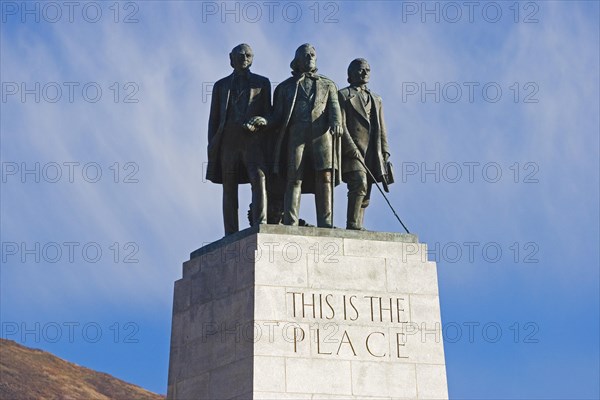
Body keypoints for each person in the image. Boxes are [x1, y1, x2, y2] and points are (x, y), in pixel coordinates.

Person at [254, 43, 343, 228]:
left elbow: (334, 108)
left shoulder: (328, 84)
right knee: (294, 178)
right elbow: (276, 116)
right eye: (306, 55)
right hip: (296, 136)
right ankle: (291, 222)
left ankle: (325, 223)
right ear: (297, 61)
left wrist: (337, 122)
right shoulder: (285, 88)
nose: (310, 57)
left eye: (312, 55)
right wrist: (264, 121)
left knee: (325, 177)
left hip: (322, 135)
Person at [205, 44, 271, 235]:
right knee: (229, 187)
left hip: (253, 142)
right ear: (231, 58)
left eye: (248, 55)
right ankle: (230, 233)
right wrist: (212, 145)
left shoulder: (262, 83)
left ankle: (261, 223)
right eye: (240, 55)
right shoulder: (220, 86)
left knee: (259, 179)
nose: (244, 58)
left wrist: (261, 121)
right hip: (228, 142)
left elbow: (269, 114)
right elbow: (214, 120)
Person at [339, 58, 392, 230]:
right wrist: (349, 147)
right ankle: (352, 225)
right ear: (351, 74)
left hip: (372, 151)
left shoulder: (376, 99)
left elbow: (382, 129)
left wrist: (385, 154)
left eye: (368, 69)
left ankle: (359, 224)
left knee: (367, 193)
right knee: (358, 182)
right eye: (361, 69)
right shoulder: (344, 95)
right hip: (352, 149)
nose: (365, 72)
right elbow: (341, 124)